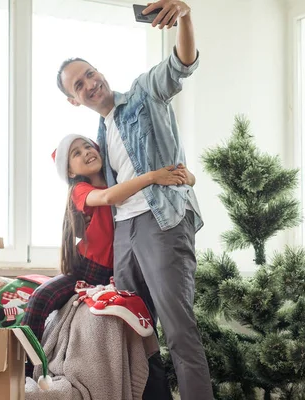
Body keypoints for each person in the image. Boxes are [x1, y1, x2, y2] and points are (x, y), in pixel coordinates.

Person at [55, 1, 213, 398]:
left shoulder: (143, 94)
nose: (89, 83)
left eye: (89, 73)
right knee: (137, 335)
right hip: (125, 233)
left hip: (161, 222)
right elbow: (102, 193)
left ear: (100, 73)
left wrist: (186, 16)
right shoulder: (99, 136)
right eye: (79, 84)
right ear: (74, 99)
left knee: (178, 329)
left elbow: (182, 64)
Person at [22, 133, 192, 378]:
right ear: (70, 171)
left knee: (143, 322)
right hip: (85, 268)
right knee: (39, 298)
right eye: (76, 153)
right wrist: (154, 176)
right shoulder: (80, 189)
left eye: (88, 146)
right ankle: (25, 371)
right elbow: (109, 197)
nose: (86, 152)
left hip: (119, 270)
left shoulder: (122, 178)